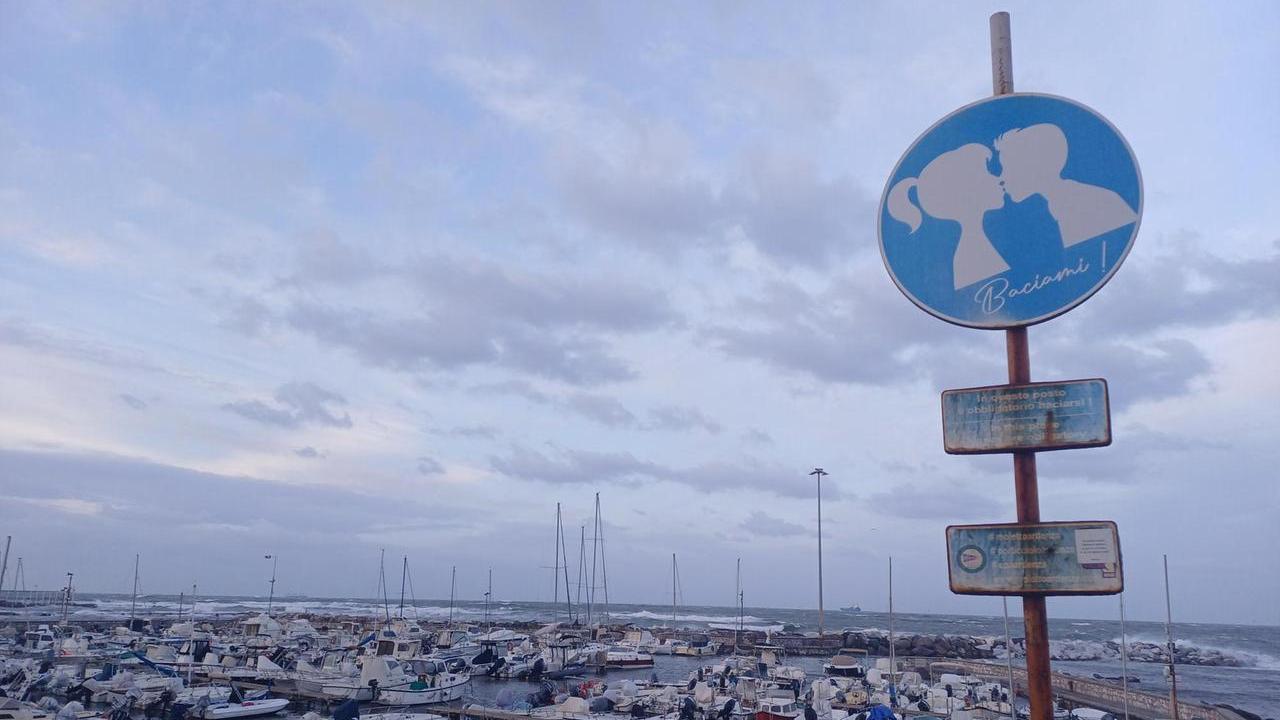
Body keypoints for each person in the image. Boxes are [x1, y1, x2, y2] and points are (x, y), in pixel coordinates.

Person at [887, 143, 1009, 290]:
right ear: (966, 191)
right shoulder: (973, 252)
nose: (999, 179)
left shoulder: (974, 244)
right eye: (987, 173)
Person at [995, 123, 1137, 248]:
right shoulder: (1058, 206)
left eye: (1007, 167)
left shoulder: (1099, 203)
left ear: (1034, 166)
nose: (1001, 178)